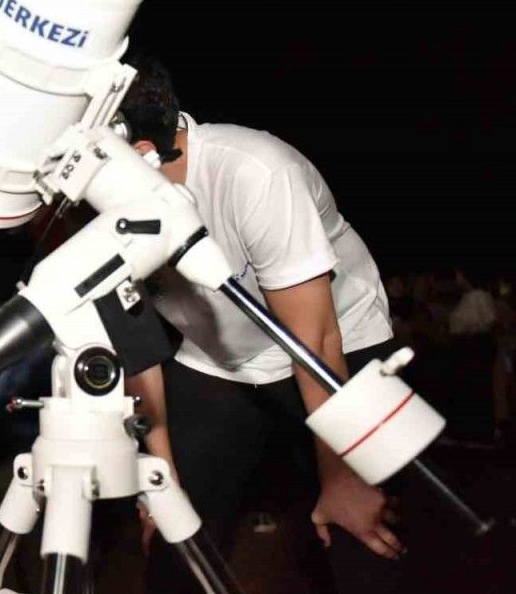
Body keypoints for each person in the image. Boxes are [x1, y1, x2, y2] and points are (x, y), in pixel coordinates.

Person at [116, 54, 406, 594]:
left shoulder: (256, 171)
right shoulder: (103, 203)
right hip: (217, 360)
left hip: (341, 341)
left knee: (362, 531)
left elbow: (314, 339)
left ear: (137, 152)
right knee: (176, 546)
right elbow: (138, 351)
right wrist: (162, 481)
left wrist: (341, 474)